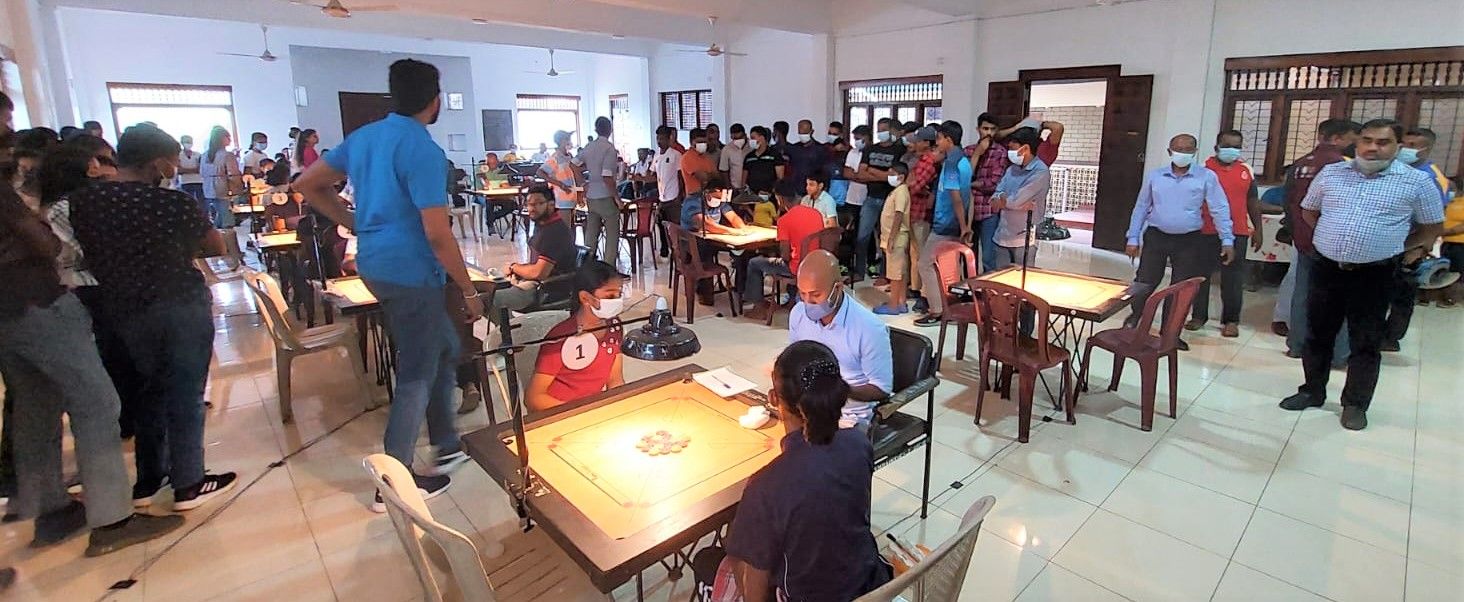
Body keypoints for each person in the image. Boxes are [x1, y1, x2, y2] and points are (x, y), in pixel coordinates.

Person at [294, 59, 479, 510]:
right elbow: (437, 232)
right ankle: (393, 481)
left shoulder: (365, 137)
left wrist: (351, 221)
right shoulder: (423, 150)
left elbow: (307, 183)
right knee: (418, 369)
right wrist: (469, 288)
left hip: (375, 263)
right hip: (410, 268)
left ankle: (447, 443)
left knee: (440, 347)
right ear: (435, 101)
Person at [0, 170, 185, 557]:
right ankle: (112, 519)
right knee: (98, 405)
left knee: (34, 407)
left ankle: (51, 509)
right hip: (36, 300)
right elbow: (43, 243)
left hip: (6, 314)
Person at [68, 123, 238, 511]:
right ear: (158, 163)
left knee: (147, 391)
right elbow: (212, 245)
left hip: (122, 307)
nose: (175, 168)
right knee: (186, 393)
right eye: (173, 161)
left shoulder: (86, 202)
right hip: (177, 302)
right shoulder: (170, 203)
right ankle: (189, 483)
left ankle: (149, 479)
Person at [1279, 119, 1443, 431]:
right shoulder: (1332, 173)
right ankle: (1312, 390)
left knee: (1365, 341)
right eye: (1366, 140)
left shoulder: (1415, 182)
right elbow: (1309, 211)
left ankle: (1355, 404)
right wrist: (1333, 238)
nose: (1371, 147)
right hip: (1327, 267)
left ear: (1397, 146)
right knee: (1317, 335)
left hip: (1375, 273)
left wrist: (1399, 246)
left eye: (1382, 142)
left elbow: (1432, 226)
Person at [717, 340, 891, 602]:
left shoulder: (767, 484)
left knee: (721, 556)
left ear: (773, 398)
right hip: (866, 584)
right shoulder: (859, 444)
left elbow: (754, 592)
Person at [1123, 133, 1235, 349]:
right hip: (1156, 235)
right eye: (1178, 149)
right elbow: (1141, 206)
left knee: (1180, 288)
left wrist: (1227, 240)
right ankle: (1136, 316)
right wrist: (1133, 237)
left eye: (1187, 149)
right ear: (1169, 152)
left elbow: (1219, 209)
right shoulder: (1156, 176)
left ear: (1194, 152)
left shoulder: (1206, 177)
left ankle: (1170, 333)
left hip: (1189, 240)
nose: (1182, 153)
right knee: (1145, 281)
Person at [1276, 119, 1360, 361]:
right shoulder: (1343, 166)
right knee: (1338, 298)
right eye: (1353, 139)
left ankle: (1296, 344)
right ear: (1338, 138)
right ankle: (1338, 353)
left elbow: (1288, 202)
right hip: (1334, 242)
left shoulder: (1300, 164)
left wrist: (1296, 232)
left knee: (1301, 292)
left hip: (1303, 238)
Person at [788, 250, 892, 429]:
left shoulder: (868, 328)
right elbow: (795, 361)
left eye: (815, 295)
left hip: (849, 414)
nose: (807, 302)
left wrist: (839, 390)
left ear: (837, 288)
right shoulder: (798, 314)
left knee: (822, 453)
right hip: (808, 406)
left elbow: (881, 389)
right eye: (802, 294)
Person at [1382, 128, 1452, 348]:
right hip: (1387, 240)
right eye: (1404, 143)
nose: (1406, 149)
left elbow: (1434, 220)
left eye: (1413, 145)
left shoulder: (1431, 176)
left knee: (1402, 294)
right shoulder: (1394, 170)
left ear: (1426, 149)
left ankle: (1391, 338)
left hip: (1411, 243)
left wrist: (1420, 249)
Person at [1188, 130, 1263, 337]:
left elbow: (1252, 201)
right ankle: (1198, 316)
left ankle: (1231, 320)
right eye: (1227, 145)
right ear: (1217, 148)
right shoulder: (1203, 169)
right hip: (1205, 231)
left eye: (1236, 146)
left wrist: (1258, 228)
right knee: (1200, 276)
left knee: (1233, 278)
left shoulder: (1246, 170)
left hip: (1237, 231)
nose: (1232, 150)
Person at [526, 261, 626, 411]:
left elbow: (615, 379)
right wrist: (581, 413)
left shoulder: (614, 327)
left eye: (620, 294)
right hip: (559, 413)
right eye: (611, 296)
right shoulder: (561, 338)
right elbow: (533, 398)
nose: (617, 301)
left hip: (593, 411)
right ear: (585, 298)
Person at [486, 185, 579, 315]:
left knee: (486, 299)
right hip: (534, 283)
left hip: (545, 290)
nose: (532, 208)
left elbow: (538, 273)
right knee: (486, 289)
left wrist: (514, 267)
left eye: (538, 204)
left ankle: (508, 332)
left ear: (551, 205)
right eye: (529, 204)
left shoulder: (554, 232)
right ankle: (508, 330)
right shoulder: (543, 224)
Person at [914, 121, 973, 327]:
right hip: (954, 222)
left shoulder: (952, 165)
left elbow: (956, 197)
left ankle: (937, 310)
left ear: (948, 139)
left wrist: (964, 226)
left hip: (946, 222)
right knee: (948, 267)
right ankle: (951, 309)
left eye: (939, 138)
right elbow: (968, 196)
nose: (937, 142)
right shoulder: (964, 161)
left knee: (925, 264)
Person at [744, 180, 825, 321]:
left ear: (780, 199)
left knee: (754, 263)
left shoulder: (784, 221)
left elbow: (786, 256)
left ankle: (758, 308)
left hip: (797, 268)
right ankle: (792, 299)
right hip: (816, 264)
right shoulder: (816, 213)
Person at [990, 127, 1050, 270]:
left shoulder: (1040, 172)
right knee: (1001, 281)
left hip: (1023, 238)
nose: (1009, 150)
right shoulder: (1012, 169)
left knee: (1021, 283)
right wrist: (1000, 200)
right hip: (1002, 234)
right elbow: (997, 192)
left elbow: (1019, 199)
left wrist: (1005, 202)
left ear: (1025, 148)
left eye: (1013, 146)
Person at [681, 177, 747, 305]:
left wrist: (742, 228)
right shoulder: (693, 202)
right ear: (708, 193)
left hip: (712, 239)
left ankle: (742, 289)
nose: (719, 200)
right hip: (691, 241)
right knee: (703, 250)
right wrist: (732, 232)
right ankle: (704, 292)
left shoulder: (721, 201)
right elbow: (706, 224)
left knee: (744, 251)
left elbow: (733, 216)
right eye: (717, 196)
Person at [856, 118, 906, 282]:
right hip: (871, 198)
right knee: (862, 236)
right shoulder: (870, 149)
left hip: (889, 200)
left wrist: (873, 171)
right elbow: (861, 174)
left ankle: (885, 274)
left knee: (886, 239)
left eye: (884, 129)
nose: (881, 133)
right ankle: (859, 271)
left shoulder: (899, 150)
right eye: (879, 129)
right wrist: (884, 175)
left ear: (891, 131)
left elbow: (895, 177)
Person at [577, 117, 623, 272]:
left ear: (596, 130)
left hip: (591, 196)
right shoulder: (609, 148)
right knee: (612, 235)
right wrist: (617, 198)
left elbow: (573, 164)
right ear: (610, 129)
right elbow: (607, 176)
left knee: (591, 234)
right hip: (605, 196)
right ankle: (608, 270)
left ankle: (587, 267)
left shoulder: (589, 147)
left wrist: (583, 182)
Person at [968, 113, 1010, 272]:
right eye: (985, 129)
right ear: (978, 129)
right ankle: (970, 289)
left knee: (988, 256)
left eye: (993, 129)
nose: (988, 133)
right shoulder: (969, 150)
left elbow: (994, 183)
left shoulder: (1000, 152)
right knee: (968, 254)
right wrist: (977, 154)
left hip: (988, 211)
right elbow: (962, 179)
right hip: (969, 210)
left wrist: (971, 184)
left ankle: (988, 291)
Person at [904, 126, 939, 312]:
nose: (914, 144)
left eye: (917, 141)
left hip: (921, 213)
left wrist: (906, 182)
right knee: (914, 252)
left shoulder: (927, 162)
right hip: (914, 211)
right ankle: (915, 288)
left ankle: (924, 294)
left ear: (927, 143)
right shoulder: (918, 160)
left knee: (922, 255)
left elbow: (913, 187)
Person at [876, 163, 912, 315]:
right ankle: (901, 301)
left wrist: (892, 238)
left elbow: (898, 215)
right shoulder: (897, 191)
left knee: (895, 274)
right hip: (894, 237)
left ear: (901, 177)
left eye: (892, 173)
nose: (888, 175)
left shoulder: (901, 192)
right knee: (900, 273)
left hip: (896, 238)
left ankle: (893, 305)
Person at [198, 125, 241, 228]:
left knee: (219, 215)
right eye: (228, 137)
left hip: (209, 189)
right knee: (227, 217)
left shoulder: (204, 155)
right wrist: (239, 187)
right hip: (224, 188)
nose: (230, 140)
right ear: (221, 139)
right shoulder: (227, 155)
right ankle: (227, 240)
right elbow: (233, 174)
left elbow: (201, 172)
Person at [537, 130, 580, 221]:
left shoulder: (568, 156)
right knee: (565, 229)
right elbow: (540, 172)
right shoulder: (555, 158)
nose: (570, 141)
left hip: (571, 198)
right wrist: (560, 185)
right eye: (567, 139)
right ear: (562, 141)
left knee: (571, 229)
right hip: (561, 201)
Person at [841, 125, 872, 242]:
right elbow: (846, 173)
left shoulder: (873, 152)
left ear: (867, 137)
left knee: (866, 231)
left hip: (867, 197)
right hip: (852, 198)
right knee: (852, 231)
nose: (856, 141)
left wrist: (858, 175)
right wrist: (861, 176)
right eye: (855, 138)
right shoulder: (852, 152)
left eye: (858, 138)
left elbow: (871, 177)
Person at [999, 117, 1064, 166]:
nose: (1010, 144)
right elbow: (995, 136)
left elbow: (1058, 127)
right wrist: (1015, 128)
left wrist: (1040, 125)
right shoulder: (1009, 147)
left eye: (1015, 141)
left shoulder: (1043, 154)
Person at [742, 125, 784, 196]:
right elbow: (744, 179)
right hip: (752, 196)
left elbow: (780, 177)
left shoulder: (775, 155)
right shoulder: (749, 157)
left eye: (753, 138)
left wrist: (773, 191)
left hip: (769, 195)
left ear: (761, 138)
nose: (751, 141)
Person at [783, 119, 825, 187]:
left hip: (813, 187)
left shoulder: (820, 149)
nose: (802, 135)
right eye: (800, 133)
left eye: (805, 133)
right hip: (795, 187)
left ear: (811, 131)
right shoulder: (793, 148)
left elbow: (823, 171)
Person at [681, 127, 716, 198]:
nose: (702, 144)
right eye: (699, 142)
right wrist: (710, 175)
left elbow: (717, 176)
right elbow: (703, 177)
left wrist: (709, 176)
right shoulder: (687, 157)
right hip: (694, 197)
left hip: (709, 196)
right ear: (691, 142)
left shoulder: (706, 157)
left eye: (704, 142)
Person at [719, 123, 750, 191]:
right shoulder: (727, 149)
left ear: (745, 135)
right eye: (735, 138)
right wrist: (729, 187)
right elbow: (724, 170)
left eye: (740, 138)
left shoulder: (752, 147)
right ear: (731, 137)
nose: (738, 140)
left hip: (751, 187)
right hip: (735, 187)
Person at [176, 134, 204, 207]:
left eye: (190, 141)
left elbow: (200, 169)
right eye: (186, 141)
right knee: (188, 204)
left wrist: (185, 170)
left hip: (199, 182)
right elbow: (179, 170)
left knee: (202, 205)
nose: (188, 143)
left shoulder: (198, 154)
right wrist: (194, 170)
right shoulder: (178, 155)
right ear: (182, 143)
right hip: (185, 183)